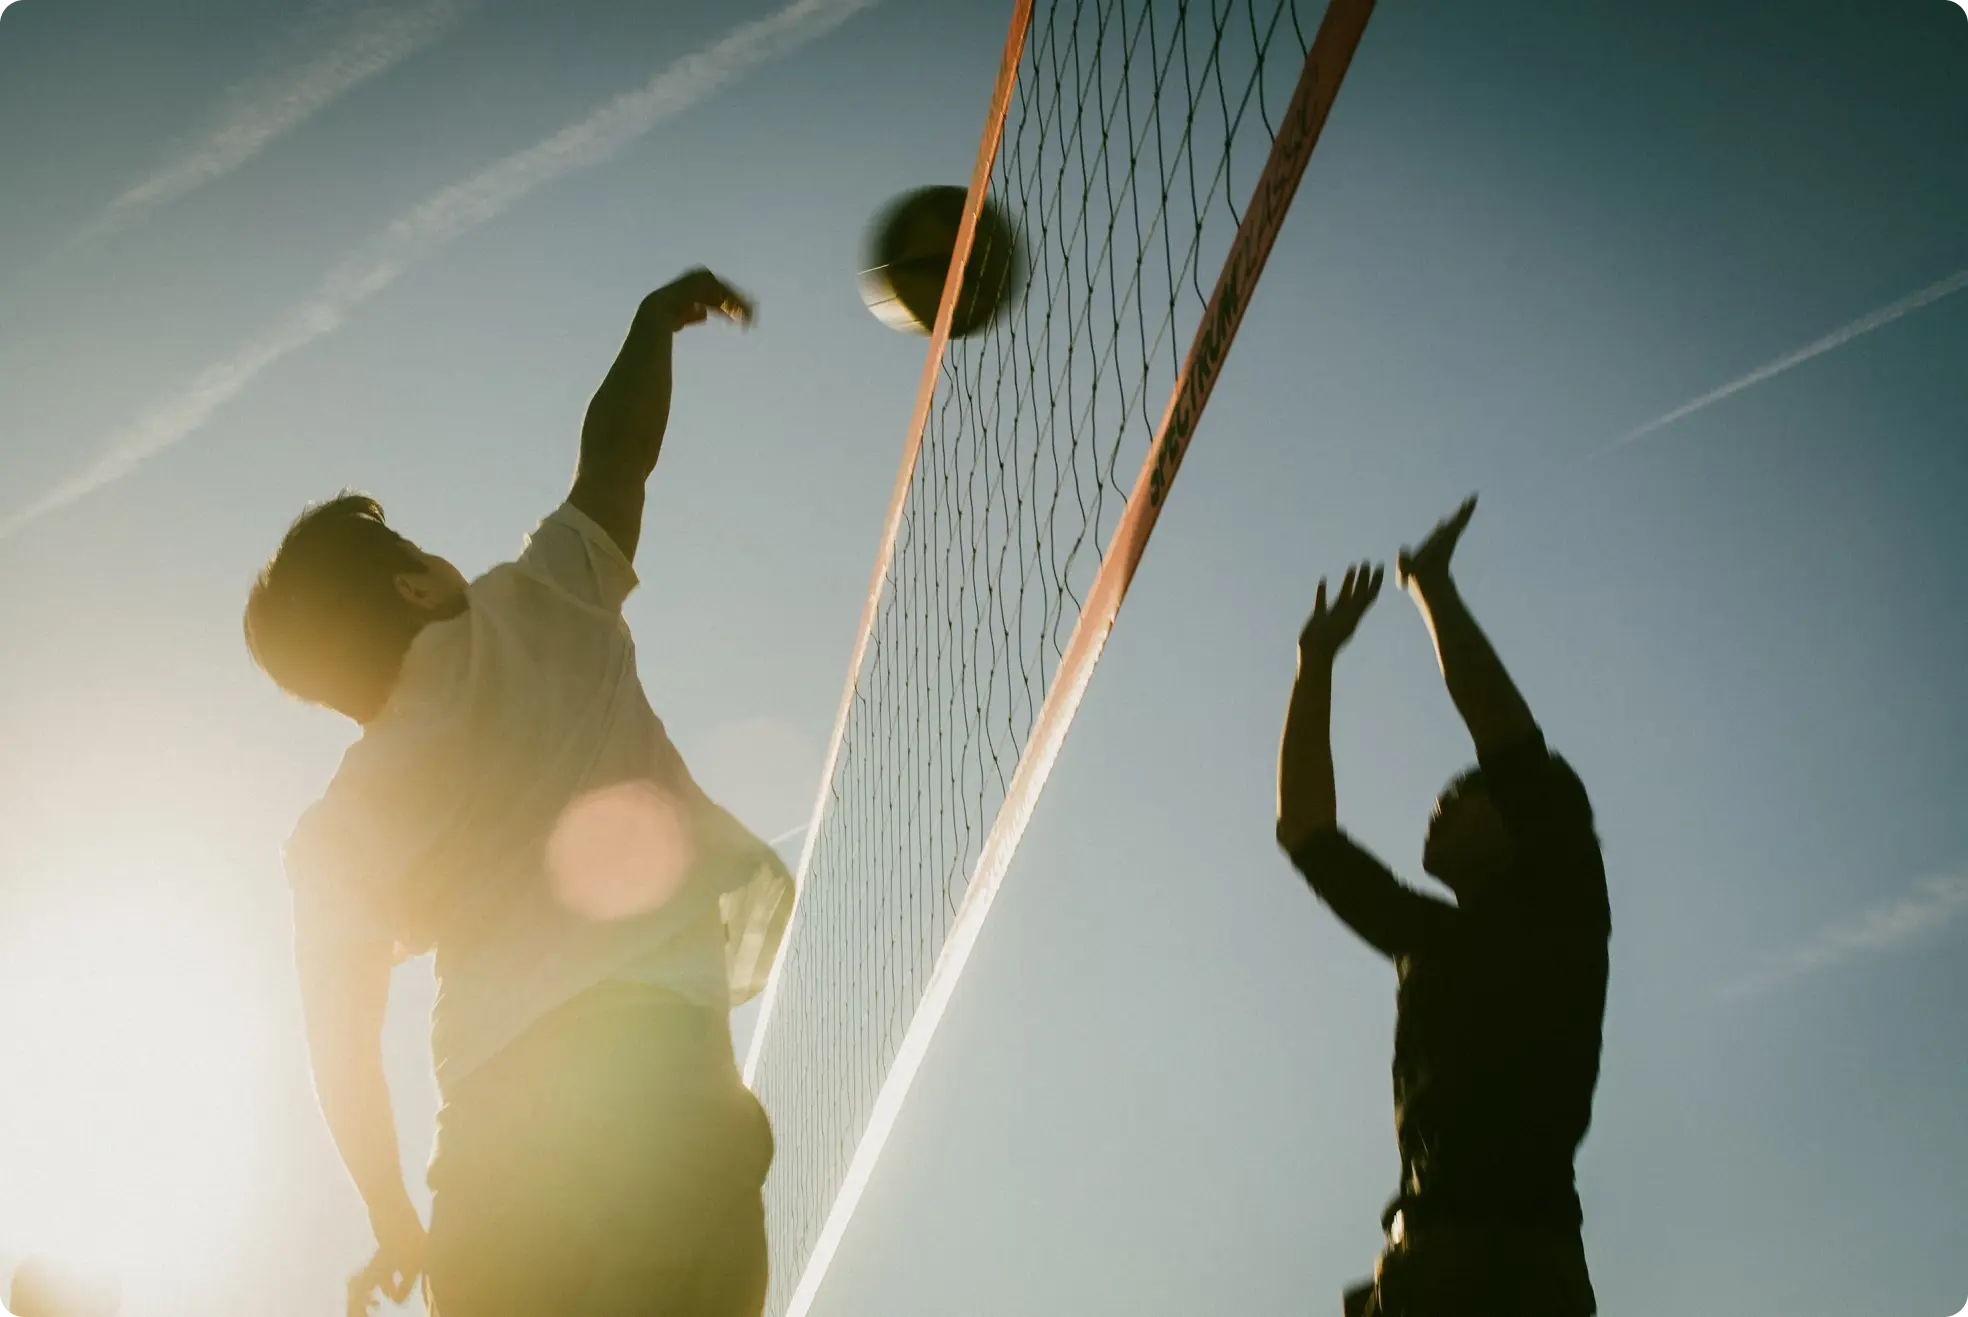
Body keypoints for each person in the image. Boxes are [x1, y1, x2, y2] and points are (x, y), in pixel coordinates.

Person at [243, 269, 794, 1317]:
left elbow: (341, 1045)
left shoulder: (338, 829)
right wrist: (648, 327)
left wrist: (391, 1212)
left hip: (499, 1159)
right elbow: (616, 460)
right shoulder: (539, 601)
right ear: (414, 583)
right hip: (663, 1102)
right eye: (417, 549)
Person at [1274, 497, 1610, 1317]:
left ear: (1519, 826)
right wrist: (1313, 662)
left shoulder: (1562, 897)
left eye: (1463, 794)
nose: (1440, 803)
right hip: (1434, 1253)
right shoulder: (1428, 938)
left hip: (1519, 1259)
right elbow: (1308, 831)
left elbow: (1505, 734)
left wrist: (1430, 587)